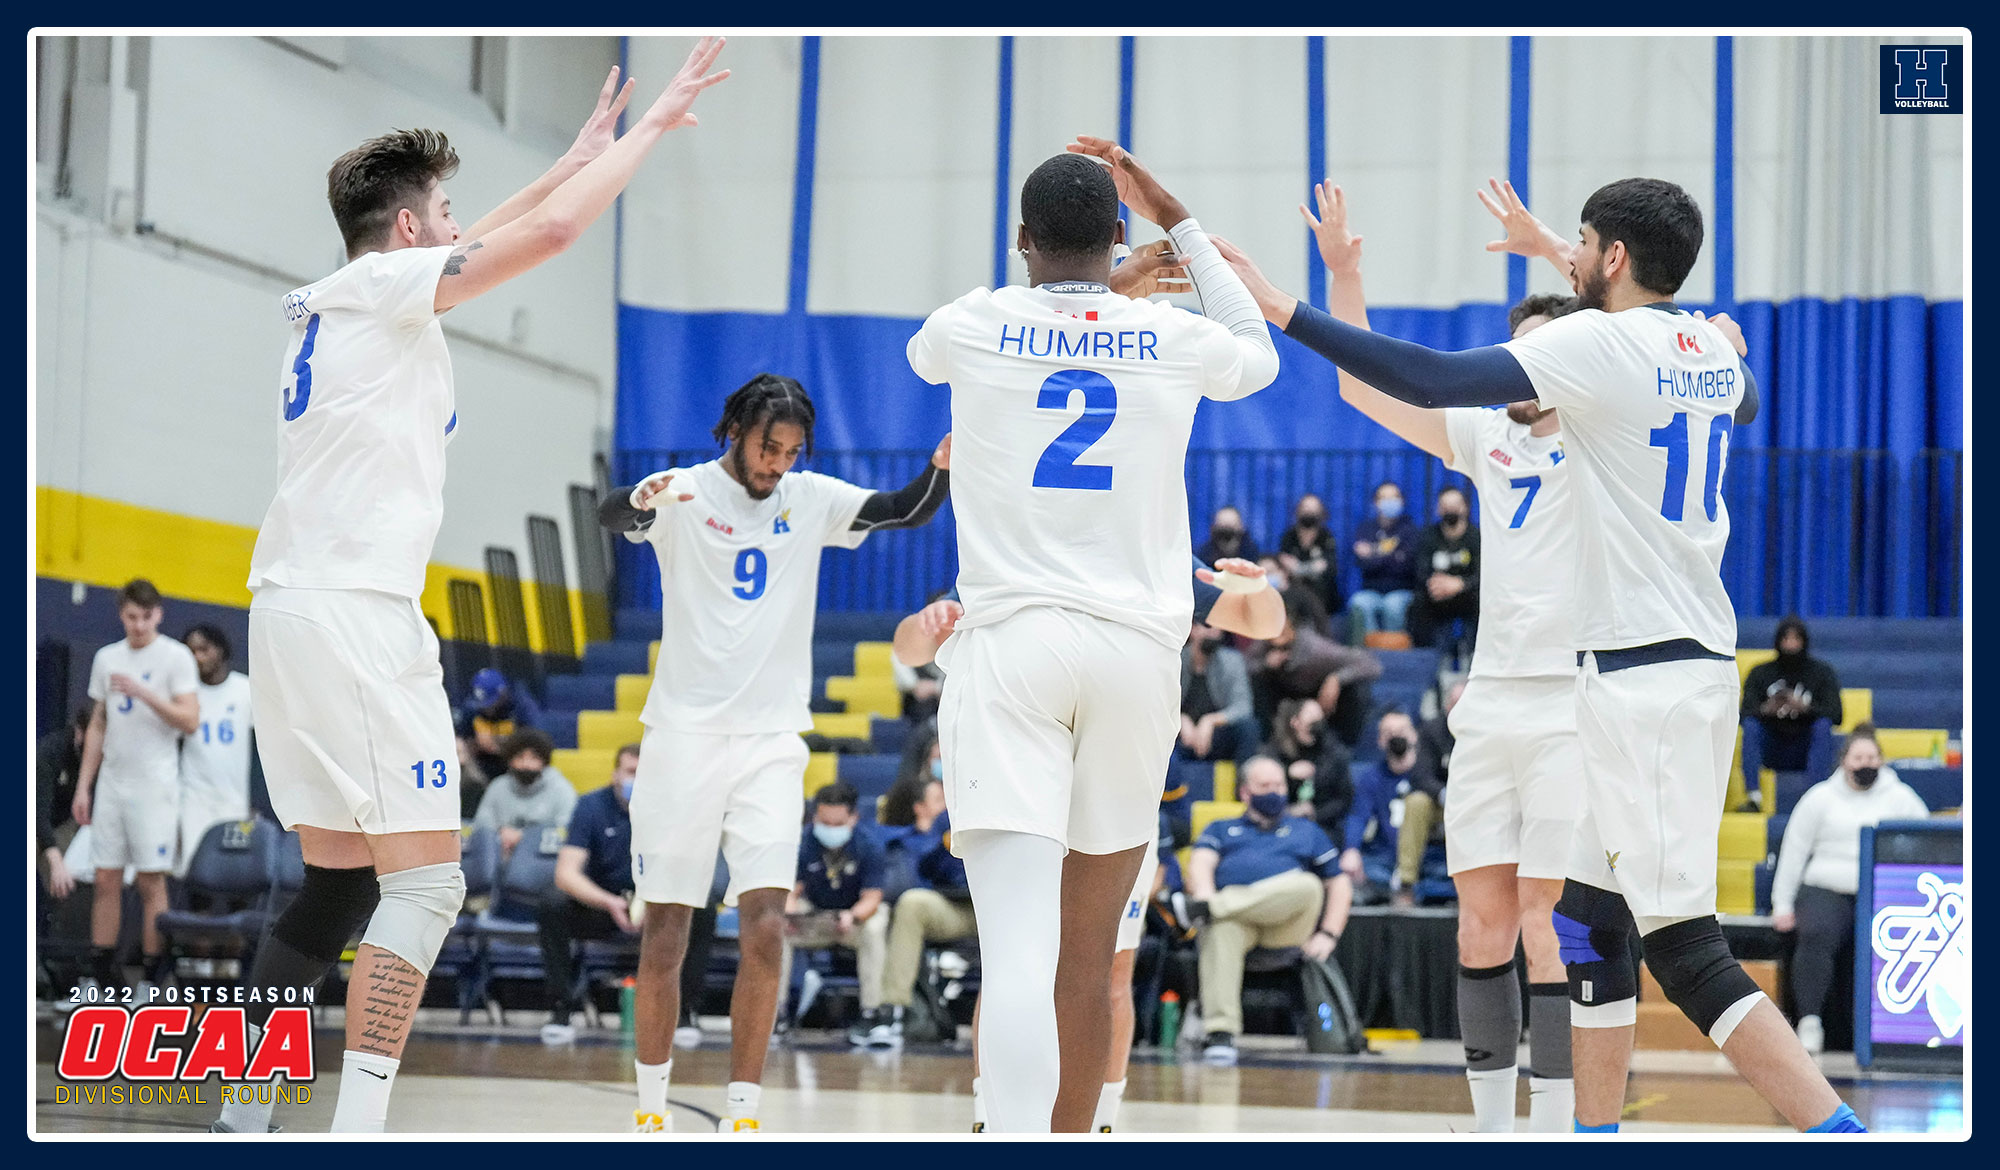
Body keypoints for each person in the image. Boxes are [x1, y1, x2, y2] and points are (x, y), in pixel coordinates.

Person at [1230, 169, 1859, 1133]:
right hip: (1635, 670)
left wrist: (1287, 307)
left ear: (1611, 257)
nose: (1566, 249)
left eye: (1580, 240)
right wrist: (1550, 250)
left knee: (1683, 951)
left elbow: (1432, 375)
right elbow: (1743, 395)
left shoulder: (1599, 352)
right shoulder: (1706, 351)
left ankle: (1840, 1133)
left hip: (1640, 679)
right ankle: (1587, 1136)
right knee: (1583, 920)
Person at [216, 43, 733, 1136]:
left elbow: (497, 229)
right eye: (444, 210)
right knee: (429, 885)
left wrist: (574, 153)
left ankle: (240, 1118)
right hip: (357, 610)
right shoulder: (388, 290)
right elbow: (539, 239)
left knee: (339, 884)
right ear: (408, 229)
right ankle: (355, 1130)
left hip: (294, 604)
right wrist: (645, 140)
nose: (458, 226)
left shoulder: (348, 296)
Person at [905, 135, 1277, 1131]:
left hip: (1014, 649)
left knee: (1018, 958)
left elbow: (935, 351)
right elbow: (1259, 349)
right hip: (1134, 659)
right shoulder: (1167, 335)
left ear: (1020, 239)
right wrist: (1179, 223)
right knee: (1088, 957)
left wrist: (1081, 271)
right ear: (1119, 234)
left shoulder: (972, 322)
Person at [597, 376, 951, 1135]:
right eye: (768, 447)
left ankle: (743, 1116)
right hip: (683, 738)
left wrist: (944, 466)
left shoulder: (810, 497)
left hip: (770, 742)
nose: (777, 463)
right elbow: (610, 513)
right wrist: (638, 498)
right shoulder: (686, 492)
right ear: (735, 429)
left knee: (765, 924)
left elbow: (906, 509)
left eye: (790, 452)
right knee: (667, 929)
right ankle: (651, 1112)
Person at [892, 556, 1283, 1130]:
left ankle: (1100, 1120)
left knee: (1107, 971)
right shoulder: (1014, 542)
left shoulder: (1148, 542)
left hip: (1121, 781)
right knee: (1014, 961)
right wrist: (926, 626)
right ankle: (989, 1116)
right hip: (1030, 786)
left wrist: (1259, 587)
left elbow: (1262, 620)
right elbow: (907, 647)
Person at [70, 579, 200, 1000]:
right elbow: (99, 723)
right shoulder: (107, 657)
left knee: (150, 881)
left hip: (154, 784)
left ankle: (150, 977)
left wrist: (145, 693)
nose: (139, 624)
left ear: (158, 615)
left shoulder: (175, 657)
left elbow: (190, 720)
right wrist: (83, 787)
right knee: (106, 877)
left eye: (147, 616)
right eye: (131, 616)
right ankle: (101, 973)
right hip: (113, 782)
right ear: (121, 614)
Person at [1185, 756, 1354, 1065]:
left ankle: (1210, 909)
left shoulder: (1307, 831)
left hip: (1289, 926)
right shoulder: (1222, 829)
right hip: (1240, 927)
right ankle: (1220, 1034)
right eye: (1265, 786)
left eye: (1279, 785)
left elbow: (1339, 884)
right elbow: (1200, 865)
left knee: (1307, 886)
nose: (1275, 791)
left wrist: (1329, 934)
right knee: (1221, 930)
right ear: (1245, 792)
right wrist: (1204, 891)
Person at [1771, 726, 1928, 1055]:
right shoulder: (1819, 798)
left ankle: (1886, 1031)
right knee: (1816, 934)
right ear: (1844, 761)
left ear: (1882, 761)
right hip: (1825, 888)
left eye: (1872, 757)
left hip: (1882, 893)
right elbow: (1794, 852)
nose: (1865, 763)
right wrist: (1781, 903)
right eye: (1858, 757)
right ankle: (1810, 1021)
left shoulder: (1902, 798)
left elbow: (1924, 842)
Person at [538, 744, 643, 1045]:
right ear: (615, 775)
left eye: (644, 773)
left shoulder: (670, 808)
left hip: (654, 906)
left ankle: (686, 1013)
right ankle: (561, 1008)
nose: (637, 780)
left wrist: (651, 905)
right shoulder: (591, 806)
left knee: (699, 910)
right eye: (631, 772)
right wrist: (609, 902)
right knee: (553, 903)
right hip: (602, 904)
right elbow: (566, 872)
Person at [781, 783, 890, 1044]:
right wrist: (791, 911)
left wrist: (852, 916)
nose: (829, 829)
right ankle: (777, 1014)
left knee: (876, 928)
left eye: (836, 823)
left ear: (853, 818)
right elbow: (792, 891)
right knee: (777, 929)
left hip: (854, 918)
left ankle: (871, 1014)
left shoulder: (869, 845)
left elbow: (873, 897)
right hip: (816, 916)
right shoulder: (804, 841)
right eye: (823, 821)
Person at [1251, 595, 1383, 748]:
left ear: (1292, 625)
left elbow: (1371, 664)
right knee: (1257, 681)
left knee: (1357, 689)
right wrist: (1265, 665)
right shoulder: (1263, 646)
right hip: (1285, 700)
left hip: (1321, 699)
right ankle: (1269, 742)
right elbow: (1243, 668)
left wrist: (1336, 679)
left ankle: (1344, 746)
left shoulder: (1316, 649)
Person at [1741, 616, 1844, 809]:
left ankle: (1816, 800)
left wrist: (1806, 708)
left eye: (1796, 639)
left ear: (1804, 642)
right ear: (1778, 641)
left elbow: (1837, 715)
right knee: (1750, 726)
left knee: (1823, 726)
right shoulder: (1760, 673)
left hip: (1805, 747)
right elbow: (1742, 713)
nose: (1790, 644)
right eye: (1786, 639)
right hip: (1771, 746)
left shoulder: (1822, 672)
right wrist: (1766, 709)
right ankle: (1753, 797)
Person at [177, 624, 255, 876]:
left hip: (234, 802)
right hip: (194, 802)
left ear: (220, 650)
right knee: (196, 877)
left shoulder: (245, 690)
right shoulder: (184, 695)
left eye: (203, 649)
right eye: (191, 651)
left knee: (236, 879)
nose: (197, 657)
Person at [1393, 679, 1462, 907]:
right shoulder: (1432, 730)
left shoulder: (1487, 733)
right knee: (1416, 802)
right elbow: (1420, 775)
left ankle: (1475, 887)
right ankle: (1406, 882)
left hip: (1476, 803)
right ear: (1447, 707)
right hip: (1440, 800)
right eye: (1456, 704)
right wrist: (1444, 794)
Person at [1340, 709, 1421, 898]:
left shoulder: (1428, 775)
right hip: (1384, 858)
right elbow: (1358, 816)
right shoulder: (1371, 778)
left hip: (1426, 858)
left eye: (1401, 731)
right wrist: (1351, 850)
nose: (1396, 737)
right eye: (1388, 733)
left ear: (1414, 735)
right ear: (1380, 741)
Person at [470, 730, 577, 860]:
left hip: (543, 859)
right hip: (501, 855)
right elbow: (482, 824)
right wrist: (500, 834)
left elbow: (567, 828)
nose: (526, 764)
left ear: (544, 761)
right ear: (510, 760)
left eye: (534, 758)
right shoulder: (498, 786)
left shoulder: (562, 788)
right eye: (520, 757)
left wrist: (525, 837)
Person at [1260, 697, 1354, 843]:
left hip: (1321, 826)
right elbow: (1257, 789)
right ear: (1295, 722)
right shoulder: (1273, 752)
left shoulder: (1334, 753)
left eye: (1319, 717)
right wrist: (1287, 774)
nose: (1317, 722)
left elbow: (1343, 799)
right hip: (1278, 823)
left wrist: (1315, 813)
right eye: (1310, 716)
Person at [1178, 616, 1257, 763]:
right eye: (1208, 626)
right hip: (1180, 733)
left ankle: (1245, 781)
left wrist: (1210, 721)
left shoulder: (1232, 660)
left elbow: (1243, 707)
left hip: (1217, 735)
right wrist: (1180, 718)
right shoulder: (1176, 659)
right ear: (1192, 629)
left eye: (1218, 626)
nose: (1214, 631)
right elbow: (1158, 702)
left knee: (1248, 728)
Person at [1410, 486, 1480, 652]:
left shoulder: (1476, 536)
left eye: (1455, 506)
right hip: (1437, 594)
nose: (1451, 510)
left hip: (1468, 594)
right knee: (1418, 604)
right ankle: (1425, 658)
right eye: (1446, 506)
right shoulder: (1428, 535)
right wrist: (1438, 584)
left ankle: (1475, 656)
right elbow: (1421, 570)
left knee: (1484, 601)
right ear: (1438, 509)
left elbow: (1483, 572)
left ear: (1465, 508)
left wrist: (1461, 584)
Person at [1347, 482, 1418, 636]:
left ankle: (1394, 653)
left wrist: (1373, 551)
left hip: (1402, 590)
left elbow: (1406, 566)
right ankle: (1371, 652)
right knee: (1359, 602)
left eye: (1394, 497)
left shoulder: (1409, 530)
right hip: (1371, 590)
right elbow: (1363, 564)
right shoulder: (1365, 529)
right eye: (1384, 498)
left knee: (1393, 605)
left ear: (1402, 501)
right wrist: (1392, 554)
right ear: (1376, 503)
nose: (1390, 502)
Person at [456, 668, 546, 783]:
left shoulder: (522, 707)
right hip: (481, 766)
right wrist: (474, 745)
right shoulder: (471, 708)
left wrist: (500, 745)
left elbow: (535, 743)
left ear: (503, 694)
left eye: (491, 703)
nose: (487, 709)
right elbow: (461, 737)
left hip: (513, 766)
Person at [1276, 494, 1341, 619]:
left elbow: (1328, 568)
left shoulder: (1326, 537)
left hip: (1323, 597)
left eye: (1313, 509)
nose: (1309, 512)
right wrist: (1312, 568)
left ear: (1321, 513)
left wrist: (1298, 568)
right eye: (1305, 508)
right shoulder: (1289, 537)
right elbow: (1284, 566)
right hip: (1293, 593)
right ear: (1298, 511)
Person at [1196, 506, 1262, 567]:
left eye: (1231, 525)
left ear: (1241, 527)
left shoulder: (1251, 552)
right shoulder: (1205, 553)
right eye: (1223, 526)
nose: (1227, 530)